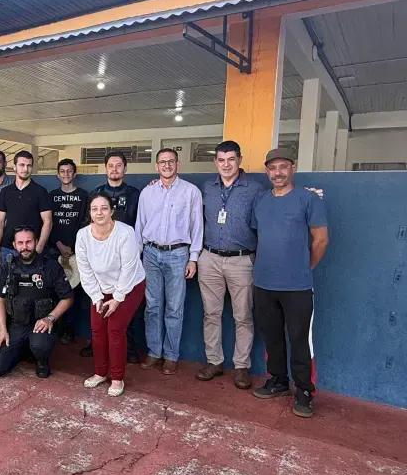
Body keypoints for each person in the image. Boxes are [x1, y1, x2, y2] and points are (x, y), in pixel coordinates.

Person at [252, 148, 329, 418]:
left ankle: (305, 391)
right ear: (267, 172)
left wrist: (305, 267)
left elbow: (321, 240)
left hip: (297, 287)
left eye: (283, 167)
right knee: (271, 336)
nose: (278, 173)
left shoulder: (308, 199)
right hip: (263, 283)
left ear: (292, 168)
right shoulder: (261, 200)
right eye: (273, 168)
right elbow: (259, 236)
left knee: (299, 340)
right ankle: (278, 381)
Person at [197, 140, 264, 389]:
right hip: (209, 258)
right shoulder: (207, 188)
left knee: (243, 315)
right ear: (215, 162)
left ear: (240, 160)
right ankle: (214, 361)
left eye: (231, 159)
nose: (226, 165)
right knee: (211, 314)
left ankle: (241, 367)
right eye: (221, 160)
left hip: (242, 260)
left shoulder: (255, 189)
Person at [135, 148, 203, 375]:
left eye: (171, 161)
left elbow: (197, 227)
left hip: (178, 254)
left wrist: (193, 258)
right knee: (152, 306)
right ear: (156, 166)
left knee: (174, 307)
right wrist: (137, 256)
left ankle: (171, 356)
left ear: (177, 164)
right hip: (150, 254)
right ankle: (154, 352)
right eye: (162, 162)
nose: (166, 165)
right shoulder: (147, 193)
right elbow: (140, 225)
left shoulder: (191, 192)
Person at [76, 194, 146, 397]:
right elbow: (85, 270)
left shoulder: (125, 232)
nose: (99, 213)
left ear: (112, 211)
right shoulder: (83, 235)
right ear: (90, 213)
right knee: (97, 329)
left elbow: (129, 268)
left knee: (114, 330)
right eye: (95, 209)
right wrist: (96, 297)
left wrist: (117, 298)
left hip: (129, 286)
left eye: (104, 208)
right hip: (100, 288)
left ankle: (117, 377)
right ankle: (100, 373)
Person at [0, 226, 74, 378]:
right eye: (20, 243)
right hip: (17, 324)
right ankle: (23, 349)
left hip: (41, 324)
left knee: (39, 345)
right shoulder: (8, 266)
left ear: (36, 242)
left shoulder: (50, 266)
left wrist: (50, 318)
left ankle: (42, 360)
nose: (25, 247)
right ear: (14, 245)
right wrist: (2, 330)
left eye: (28, 242)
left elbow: (68, 298)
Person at [89, 150, 141, 360]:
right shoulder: (96, 193)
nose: (114, 169)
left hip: (126, 257)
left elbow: (140, 224)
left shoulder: (135, 194)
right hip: (103, 260)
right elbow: (90, 225)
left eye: (119, 165)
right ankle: (98, 347)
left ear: (125, 168)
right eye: (111, 165)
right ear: (105, 168)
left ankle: (129, 349)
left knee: (126, 306)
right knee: (99, 304)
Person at [48, 158, 88, 344]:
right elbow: (48, 223)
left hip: (76, 252)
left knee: (74, 292)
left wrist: (73, 247)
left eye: (69, 171)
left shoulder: (83, 196)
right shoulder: (52, 196)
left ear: (75, 173)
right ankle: (55, 326)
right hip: (55, 251)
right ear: (57, 175)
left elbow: (86, 222)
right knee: (56, 289)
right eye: (62, 171)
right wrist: (59, 245)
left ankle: (69, 330)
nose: (66, 174)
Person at [0, 150, 52, 267]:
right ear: (14, 167)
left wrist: (38, 248)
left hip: (30, 249)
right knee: (6, 278)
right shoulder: (5, 192)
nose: (25, 169)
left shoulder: (40, 191)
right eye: (22, 165)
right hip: (7, 248)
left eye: (29, 165)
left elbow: (48, 221)